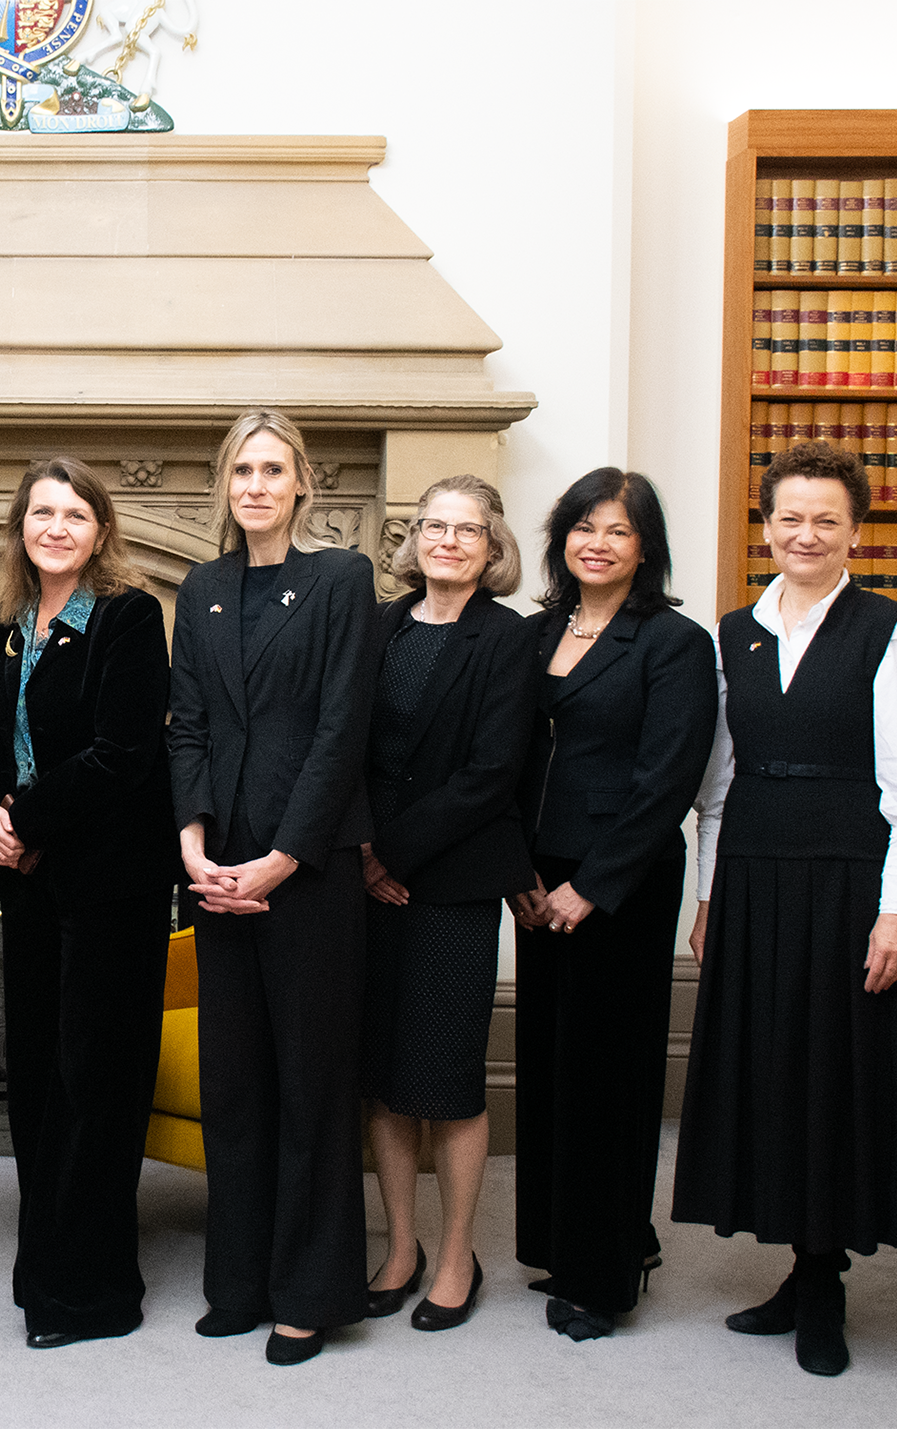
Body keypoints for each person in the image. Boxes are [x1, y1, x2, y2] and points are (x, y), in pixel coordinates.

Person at [672, 440, 897, 1376]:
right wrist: (709, 894)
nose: (807, 533)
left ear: (855, 533)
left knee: (835, 1072)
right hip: (752, 878)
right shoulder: (733, 631)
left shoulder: (888, 629)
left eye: (827, 519)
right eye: (790, 516)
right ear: (765, 524)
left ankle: (825, 1281)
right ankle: (796, 1263)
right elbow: (718, 782)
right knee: (773, 1072)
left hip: (845, 883)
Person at [166, 409, 377, 1366]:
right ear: (225, 485)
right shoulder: (202, 587)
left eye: (271, 468)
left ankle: (308, 1291)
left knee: (310, 1088)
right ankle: (238, 1281)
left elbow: (343, 732)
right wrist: (194, 842)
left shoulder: (340, 578)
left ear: (302, 482)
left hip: (307, 873)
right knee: (237, 1086)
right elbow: (191, 726)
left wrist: (283, 859)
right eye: (240, 470)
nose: (254, 484)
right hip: (218, 872)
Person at [0, 457, 177, 1349]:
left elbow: (123, 753)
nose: (55, 527)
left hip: (109, 886)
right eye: (41, 512)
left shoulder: (128, 617)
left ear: (100, 530)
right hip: (30, 881)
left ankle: (94, 1291)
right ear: (22, 524)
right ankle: (43, 1264)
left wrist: (19, 812)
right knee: (40, 1081)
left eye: (74, 514)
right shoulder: (13, 623)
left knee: (96, 1080)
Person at [511, 467, 717, 1342]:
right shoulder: (534, 632)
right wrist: (517, 871)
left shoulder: (673, 641)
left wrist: (589, 886)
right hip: (533, 876)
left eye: (619, 530)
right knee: (551, 1061)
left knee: (608, 1073)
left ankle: (604, 1279)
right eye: (583, 525)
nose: (597, 541)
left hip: (619, 881)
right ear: (561, 537)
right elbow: (506, 759)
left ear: (646, 547)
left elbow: (666, 776)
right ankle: (574, 1239)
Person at [359, 475, 536, 1334]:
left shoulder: (506, 639)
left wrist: (390, 851)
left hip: (454, 887)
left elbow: (491, 773)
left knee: (449, 1080)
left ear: (492, 545)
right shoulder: (381, 624)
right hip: (372, 884)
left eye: (470, 529)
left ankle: (457, 1251)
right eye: (436, 525)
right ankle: (400, 1247)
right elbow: (344, 742)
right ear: (413, 536)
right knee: (388, 1080)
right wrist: (361, 850)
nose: (450, 541)